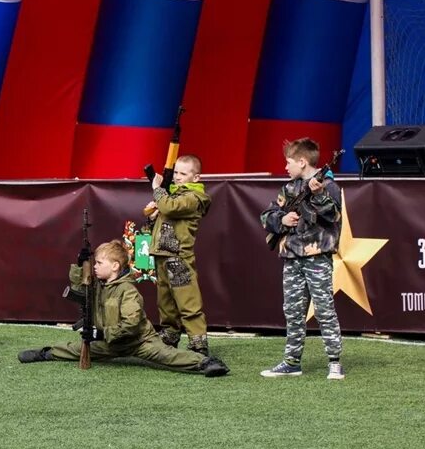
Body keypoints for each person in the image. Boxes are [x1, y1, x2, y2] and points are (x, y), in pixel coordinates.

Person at [17, 240, 229, 377]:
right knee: (73, 348)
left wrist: (101, 332)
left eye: (99, 262)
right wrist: (80, 265)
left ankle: (206, 363)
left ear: (116, 266)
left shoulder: (127, 291)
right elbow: (78, 288)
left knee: (168, 356)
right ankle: (45, 354)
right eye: (95, 263)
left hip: (139, 342)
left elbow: (131, 324)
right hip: (110, 343)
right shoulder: (98, 285)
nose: (96, 266)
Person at [259, 138, 345, 380]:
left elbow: (333, 216)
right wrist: (281, 220)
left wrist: (318, 196)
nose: (286, 167)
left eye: (288, 162)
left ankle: (334, 361)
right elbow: (267, 215)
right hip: (292, 257)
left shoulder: (328, 186)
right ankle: (291, 361)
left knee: (324, 308)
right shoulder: (288, 189)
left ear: (302, 161)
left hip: (317, 257)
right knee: (293, 311)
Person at [145, 154, 212, 355]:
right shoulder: (172, 195)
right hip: (162, 255)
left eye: (183, 173)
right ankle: (169, 334)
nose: (178, 177)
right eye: (176, 172)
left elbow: (169, 207)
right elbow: (164, 211)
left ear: (196, 177)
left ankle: (198, 341)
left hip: (179, 258)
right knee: (164, 300)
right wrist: (154, 214)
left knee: (187, 300)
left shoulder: (194, 198)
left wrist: (157, 190)